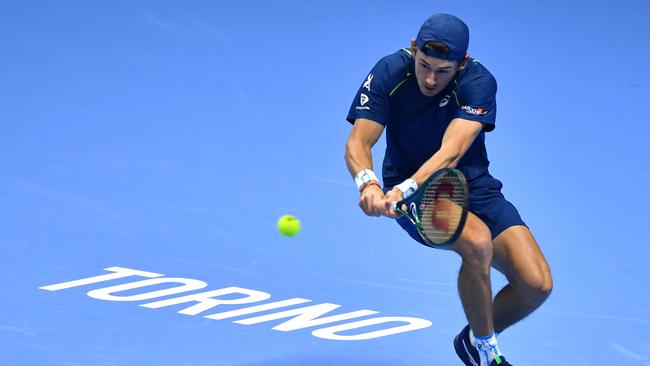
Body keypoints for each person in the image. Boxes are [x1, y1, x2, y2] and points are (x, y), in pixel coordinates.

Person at [344, 13, 553, 366]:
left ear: (462, 63)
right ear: (414, 48)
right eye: (424, 64)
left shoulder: (478, 82)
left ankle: (471, 339)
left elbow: (451, 152)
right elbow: (359, 140)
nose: (430, 78)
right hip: (413, 192)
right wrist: (369, 183)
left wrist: (401, 190)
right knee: (476, 242)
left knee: (535, 284)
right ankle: (487, 354)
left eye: (443, 71)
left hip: (472, 185)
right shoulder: (388, 72)